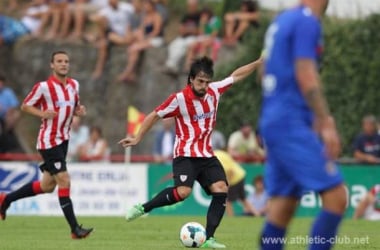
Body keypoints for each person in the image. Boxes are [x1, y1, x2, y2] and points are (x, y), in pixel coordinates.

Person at [119, 56, 263, 249]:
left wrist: (259, 62)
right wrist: (137, 138)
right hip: (185, 154)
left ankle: (208, 238)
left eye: (207, 82)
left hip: (206, 154)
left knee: (221, 188)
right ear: (191, 80)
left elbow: (236, 75)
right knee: (183, 192)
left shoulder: (215, 91)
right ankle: (144, 208)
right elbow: (154, 115)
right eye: (200, 82)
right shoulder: (179, 99)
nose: (204, 86)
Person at [259, 1, 347, 249]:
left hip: (274, 118)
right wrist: (325, 121)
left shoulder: (283, 20)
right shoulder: (307, 21)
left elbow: (263, 70)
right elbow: (306, 72)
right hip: (290, 122)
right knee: (336, 197)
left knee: (282, 207)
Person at [0, 51, 93, 239]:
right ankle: (75, 229)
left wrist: (79, 111)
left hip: (63, 140)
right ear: (52, 65)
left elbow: (73, 108)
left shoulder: (74, 85)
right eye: (59, 61)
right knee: (64, 180)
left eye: (66, 61)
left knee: (47, 186)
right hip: (49, 141)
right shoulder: (43, 87)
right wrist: (42, 114)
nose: (64, 64)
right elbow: (25, 105)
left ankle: (5, 199)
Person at [117, 0, 164, 83]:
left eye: (147, 5)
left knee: (133, 48)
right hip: (147, 38)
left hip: (156, 39)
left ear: (152, 6)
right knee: (133, 47)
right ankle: (132, 74)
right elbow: (141, 29)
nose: (145, 7)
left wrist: (146, 38)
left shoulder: (157, 16)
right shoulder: (145, 17)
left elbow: (156, 31)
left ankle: (127, 72)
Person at [214, 149, 259, 217]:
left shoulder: (215, 159)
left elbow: (230, 171)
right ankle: (257, 215)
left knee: (227, 200)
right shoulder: (218, 152)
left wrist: (227, 184)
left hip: (235, 179)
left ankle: (231, 217)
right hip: (240, 174)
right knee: (243, 199)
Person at [161, 0, 200, 76]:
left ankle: (172, 66)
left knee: (182, 47)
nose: (190, 7)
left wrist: (187, 29)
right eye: (189, 6)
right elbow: (181, 30)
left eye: (192, 6)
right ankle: (171, 66)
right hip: (183, 37)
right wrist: (190, 29)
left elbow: (198, 31)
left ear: (196, 6)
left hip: (194, 38)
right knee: (173, 45)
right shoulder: (186, 16)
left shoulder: (199, 16)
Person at [184, 7, 222, 72]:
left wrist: (205, 39)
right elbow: (201, 34)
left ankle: (201, 65)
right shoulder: (202, 21)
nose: (203, 17)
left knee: (204, 45)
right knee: (192, 46)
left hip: (213, 38)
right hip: (203, 37)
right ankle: (188, 66)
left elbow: (213, 35)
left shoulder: (215, 20)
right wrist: (202, 24)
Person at [0, 74, 21, 153]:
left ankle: (8, 131)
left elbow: (14, 105)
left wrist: (7, 111)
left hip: (6, 116)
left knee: (15, 114)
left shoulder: (8, 92)